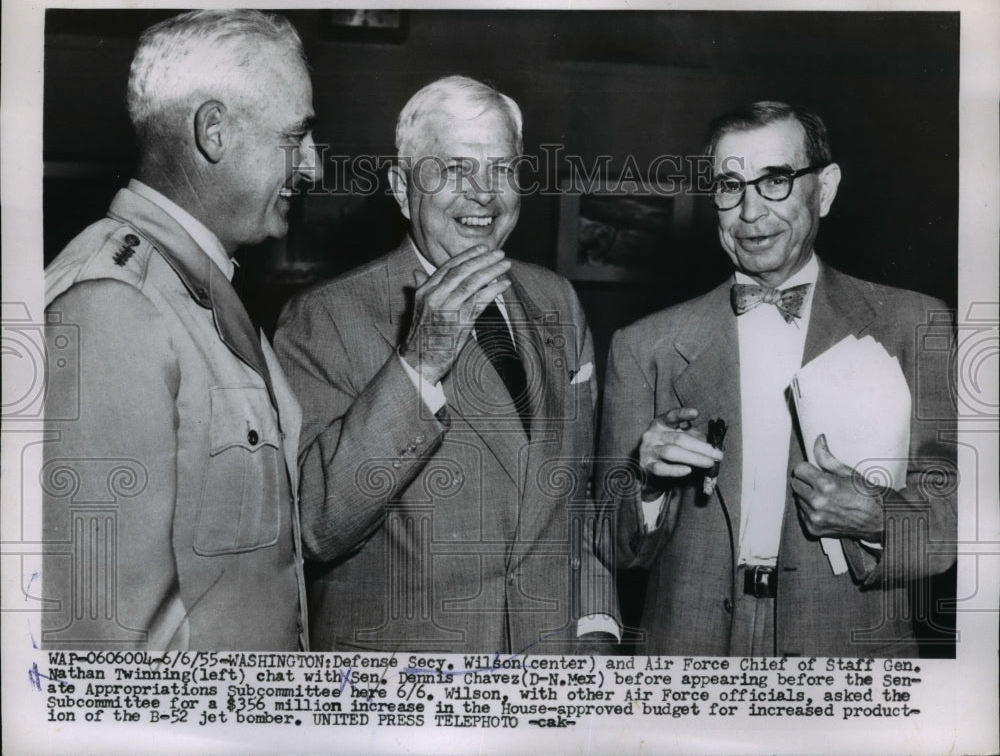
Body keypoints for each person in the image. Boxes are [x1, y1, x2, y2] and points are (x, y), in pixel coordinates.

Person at [597, 101, 956, 657]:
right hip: (687, 649)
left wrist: (877, 516)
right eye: (729, 185)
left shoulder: (915, 325)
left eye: (776, 181)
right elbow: (614, 549)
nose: (750, 213)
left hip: (850, 649)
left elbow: (955, 522)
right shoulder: (643, 346)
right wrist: (646, 483)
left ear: (826, 189)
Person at [275, 75, 618, 654]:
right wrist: (418, 365)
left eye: (502, 170)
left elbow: (574, 500)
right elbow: (315, 527)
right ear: (404, 190)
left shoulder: (558, 300)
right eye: (455, 170)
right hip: (406, 701)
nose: (484, 194)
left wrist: (597, 629)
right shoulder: (325, 318)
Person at [42, 9, 320, 650]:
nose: (312, 167)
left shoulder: (190, 286)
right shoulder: (112, 303)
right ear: (214, 132)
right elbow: (107, 648)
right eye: (295, 137)